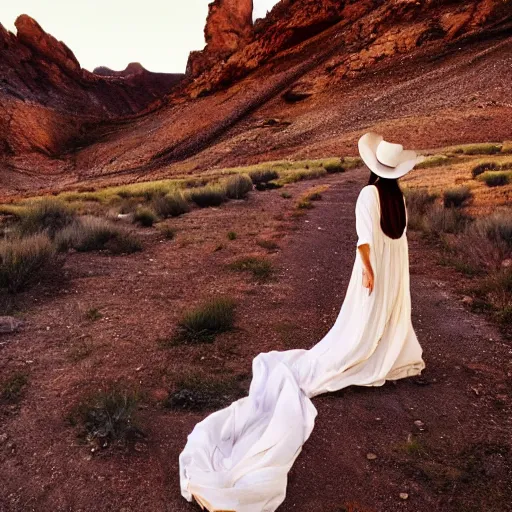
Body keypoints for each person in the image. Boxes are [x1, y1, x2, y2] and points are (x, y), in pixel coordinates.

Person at [179, 133, 426, 512]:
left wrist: (369, 272)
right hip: (393, 272)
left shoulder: (368, 195)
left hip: (374, 271)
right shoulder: (397, 197)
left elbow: (364, 240)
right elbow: (400, 241)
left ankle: (364, 356)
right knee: (378, 321)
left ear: (373, 168)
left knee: (357, 325)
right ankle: (384, 355)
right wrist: (391, 275)